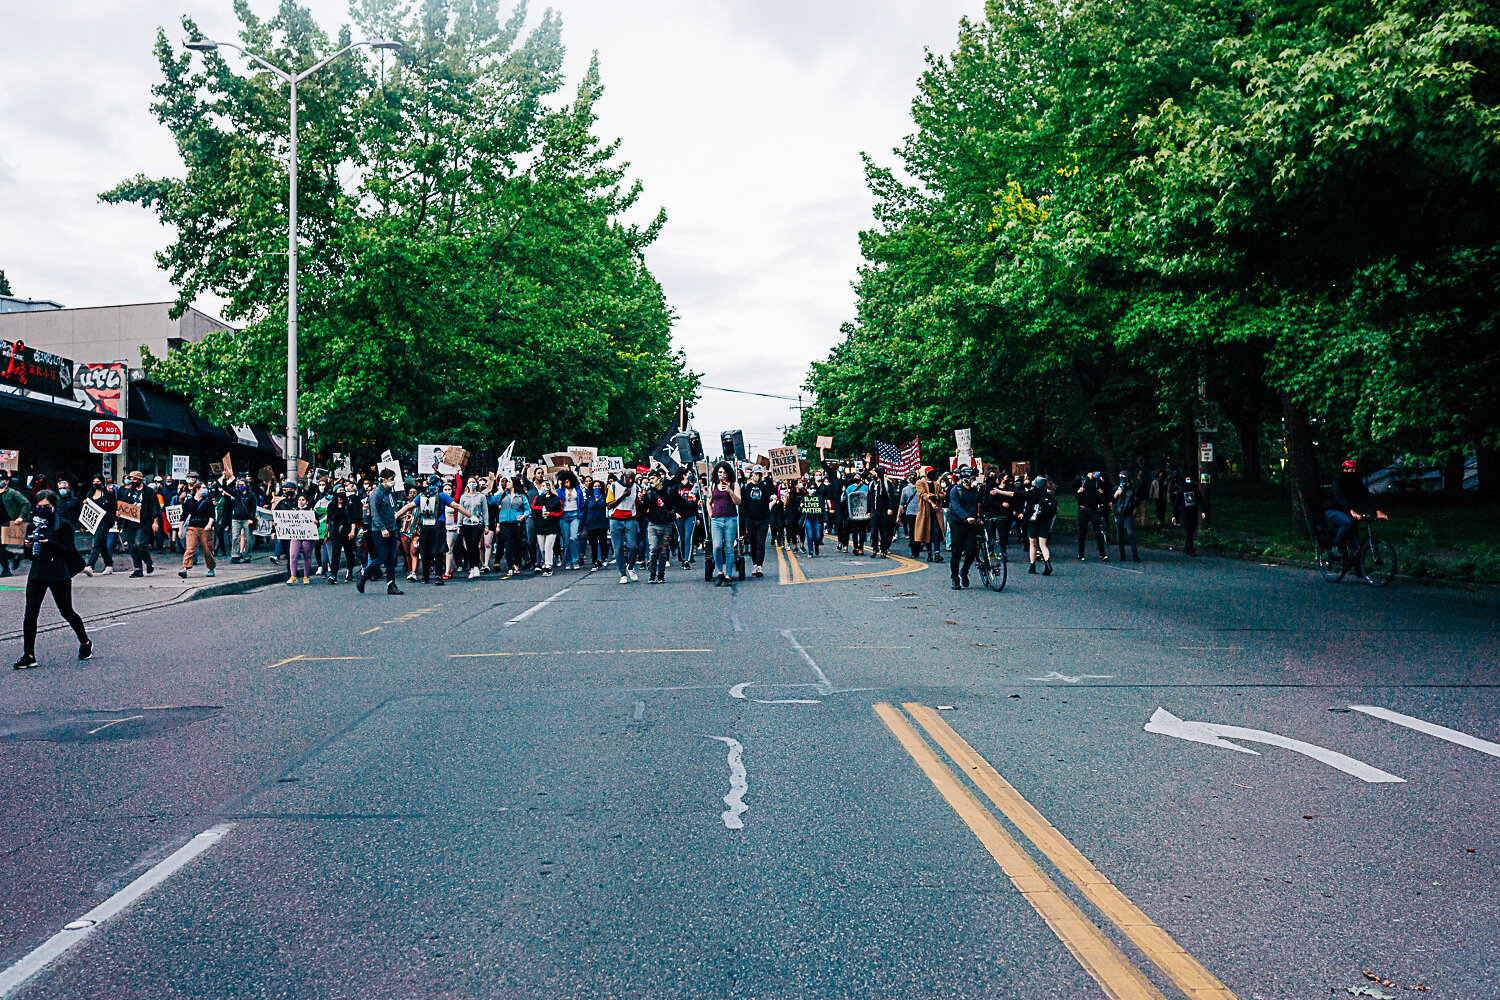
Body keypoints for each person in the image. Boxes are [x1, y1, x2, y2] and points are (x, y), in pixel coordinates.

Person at [12, 490, 92, 669]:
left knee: (66, 611)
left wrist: (50, 543)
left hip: (58, 573)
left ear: (54, 506)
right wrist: (29, 546)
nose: (42, 510)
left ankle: (85, 642)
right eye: (39, 507)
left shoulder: (63, 525)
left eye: (46, 507)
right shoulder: (32, 526)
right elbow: (30, 556)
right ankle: (29, 654)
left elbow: (69, 551)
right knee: (30, 613)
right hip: (37, 573)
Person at [394, 476, 468, 585]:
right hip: (439, 524)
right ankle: (438, 576)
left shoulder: (422, 495)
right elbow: (456, 506)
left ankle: (425, 577)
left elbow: (409, 506)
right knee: (438, 551)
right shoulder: (442, 496)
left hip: (425, 525)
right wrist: (470, 516)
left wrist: (396, 515)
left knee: (426, 552)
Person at [1324, 458, 1384, 559]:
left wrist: (1377, 510)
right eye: (1352, 470)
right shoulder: (1338, 480)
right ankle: (1335, 548)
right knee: (1347, 522)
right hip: (1332, 510)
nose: (1354, 472)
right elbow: (1339, 496)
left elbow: (1366, 495)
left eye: (1355, 470)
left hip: (1347, 511)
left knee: (1356, 543)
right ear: (1345, 470)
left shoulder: (1356, 481)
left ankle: (1359, 569)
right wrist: (1351, 510)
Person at [117, 470, 160, 578]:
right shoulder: (129, 492)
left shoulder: (149, 492)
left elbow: (155, 506)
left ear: (139, 480)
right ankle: (138, 568)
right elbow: (123, 504)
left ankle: (148, 561)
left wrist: (155, 521)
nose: (132, 481)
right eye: (131, 479)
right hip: (130, 522)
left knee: (139, 543)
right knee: (131, 546)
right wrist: (119, 512)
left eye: (134, 479)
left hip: (143, 522)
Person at [640, 469, 680, 584]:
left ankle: (661, 574)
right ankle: (652, 574)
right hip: (653, 525)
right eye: (649, 479)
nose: (651, 481)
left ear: (659, 479)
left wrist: (674, 513)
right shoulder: (649, 493)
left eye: (653, 478)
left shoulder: (669, 491)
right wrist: (641, 501)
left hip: (666, 525)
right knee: (653, 549)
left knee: (663, 550)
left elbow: (678, 503)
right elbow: (643, 511)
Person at [706, 462, 741, 586]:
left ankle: (728, 575)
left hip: (730, 519)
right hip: (716, 520)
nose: (722, 475)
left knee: (729, 547)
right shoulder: (713, 485)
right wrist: (711, 516)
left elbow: (738, 502)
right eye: (720, 472)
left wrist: (730, 491)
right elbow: (708, 502)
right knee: (717, 546)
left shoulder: (734, 485)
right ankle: (720, 571)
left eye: (724, 472)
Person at [946, 466, 982, 589]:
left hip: (971, 525)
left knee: (972, 551)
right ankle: (955, 578)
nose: (974, 481)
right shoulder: (955, 490)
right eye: (972, 479)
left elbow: (979, 504)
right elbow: (956, 507)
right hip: (958, 524)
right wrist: (966, 517)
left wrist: (980, 517)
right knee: (956, 553)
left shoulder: (974, 491)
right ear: (965, 479)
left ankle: (964, 571)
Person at [606, 470, 641, 584]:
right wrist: (623, 496)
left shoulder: (636, 487)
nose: (630, 481)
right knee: (618, 548)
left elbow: (637, 502)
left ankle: (630, 567)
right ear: (623, 477)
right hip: (615, 520)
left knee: (633, 546)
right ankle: (622, 573)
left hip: (629, 519)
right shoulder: (614, 486)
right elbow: (609, 506)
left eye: (632, 479)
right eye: (627, 479)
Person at [176, 481, 217, 578]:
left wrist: (209, 524)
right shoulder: (189, 502)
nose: (205, 489)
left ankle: (211, 568)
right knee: (190, 548)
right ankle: (185, 568)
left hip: (205, 528)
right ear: (197, 489)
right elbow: (183, 516)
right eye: (203, 487)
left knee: (207, 550)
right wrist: (180, 529)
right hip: (192, 527)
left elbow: (212, 515)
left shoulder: (208, 501)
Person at [739, 467, 775, 577]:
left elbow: (772, 491)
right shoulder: (746, 488)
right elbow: (742, 504)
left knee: (761, 543)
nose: (758, 476)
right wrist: (742, 523)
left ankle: (760, 565)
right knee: (753, 543)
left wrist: (767, 477)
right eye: (756, 474)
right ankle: (755, 564)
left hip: (763, 519)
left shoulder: (764, 486)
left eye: (760, 474)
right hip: (750, 519)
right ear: (752, 474)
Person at [493, 476, 531, 577]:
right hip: (504, 522)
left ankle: (517, 563)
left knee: (517, 544)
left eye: (509, 482)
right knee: (508, 544)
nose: (507, 483)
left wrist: (524, 515)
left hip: (516, 522)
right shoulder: (502, 495)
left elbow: (528, 509)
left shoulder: (521, 496)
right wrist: (488, 492)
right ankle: (510, 566)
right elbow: (492, 501)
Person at [0, 472, 34, 578]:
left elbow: (26, 504)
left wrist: (21, 517)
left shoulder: (12, 493)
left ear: (7, 481)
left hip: (8, 524)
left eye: (2, 480)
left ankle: (6, 569)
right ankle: (14, 556)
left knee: (0, 547)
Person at [83, 476, 117, 574]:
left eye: (98, 481)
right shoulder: (90, 494)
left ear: (102, 482)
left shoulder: (108, 494)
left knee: (97, 542)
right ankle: (109, 564)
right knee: (101, 543)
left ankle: (90, 565)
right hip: (94, 522)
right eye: (94, 481)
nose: (95, 483)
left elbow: (114, 507)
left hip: (105, 521)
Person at [530, 480, 563, 576]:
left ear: (549, 487)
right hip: (540, 525)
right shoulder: (538, 498)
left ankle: (549, 566)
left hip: (551, 525)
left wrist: (550, 514)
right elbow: (533, 507)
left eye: (545, 486)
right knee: (542, 547)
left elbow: (560, 512)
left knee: (548, 546)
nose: (543, 488)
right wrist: (542, 508)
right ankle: (545, 562)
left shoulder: (556, 499)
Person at [1076, 470, 1109, 561]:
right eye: (1094, 472)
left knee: (1098, 531)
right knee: (1082, 531)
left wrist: (1102, 488)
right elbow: (1071, 487)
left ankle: (1102, 553)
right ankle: (1081, 553)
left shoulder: (1098, 481)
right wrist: (1077, 491)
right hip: (1083, 508)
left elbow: (1106, 490)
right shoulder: (1082, 479)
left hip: (1094, 509)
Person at [1172, 474, 1207, 556]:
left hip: (1193, 512)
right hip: (1185, 513)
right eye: (1187, 479)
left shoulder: (1195, 489)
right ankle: (1191, 550)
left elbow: (1199, 500)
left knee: (1192, 531)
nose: (1188, 480)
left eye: (1190, 479)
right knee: (1189, 531)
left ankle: (1186, 549)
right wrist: (1174, 515)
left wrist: (1203, 511)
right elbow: (1176, 503)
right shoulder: (1181, 489)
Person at [1112, 469, 1142, 563]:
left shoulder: (1132, 489)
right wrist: (1116, 494)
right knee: (1120, 535)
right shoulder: (1117, 488)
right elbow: (1112, 501)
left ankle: (1135, 555)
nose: (1121, 479)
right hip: (1118, 514)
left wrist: (1133, 514)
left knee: (1131, 535)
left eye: (1123, 477)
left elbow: (1136, 503)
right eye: (1120, 477)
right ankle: (1122, 555)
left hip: (1128, 515)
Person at [912, 468, 941, 561]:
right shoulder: (920, 483)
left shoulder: (936, 484)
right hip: (925, 511)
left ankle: (937, 553)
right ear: (926, 473)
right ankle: (929, 554)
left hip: (935, 512)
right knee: (927, 532)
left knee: (936, 532)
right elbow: (922, 494)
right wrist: (931, 499)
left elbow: (941, 494)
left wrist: (936, 496)